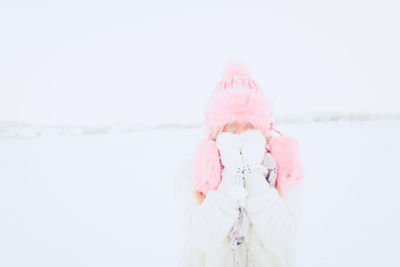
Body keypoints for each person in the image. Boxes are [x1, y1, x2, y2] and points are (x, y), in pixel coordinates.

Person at [176, 64, 304, 267]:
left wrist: (253, 174)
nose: (241, 133)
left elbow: (281, 237)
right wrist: (231, 173)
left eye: (250, 126)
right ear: (215, 130)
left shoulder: (283, 172)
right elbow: (204, 236)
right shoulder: (192, 172)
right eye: (232, 125)